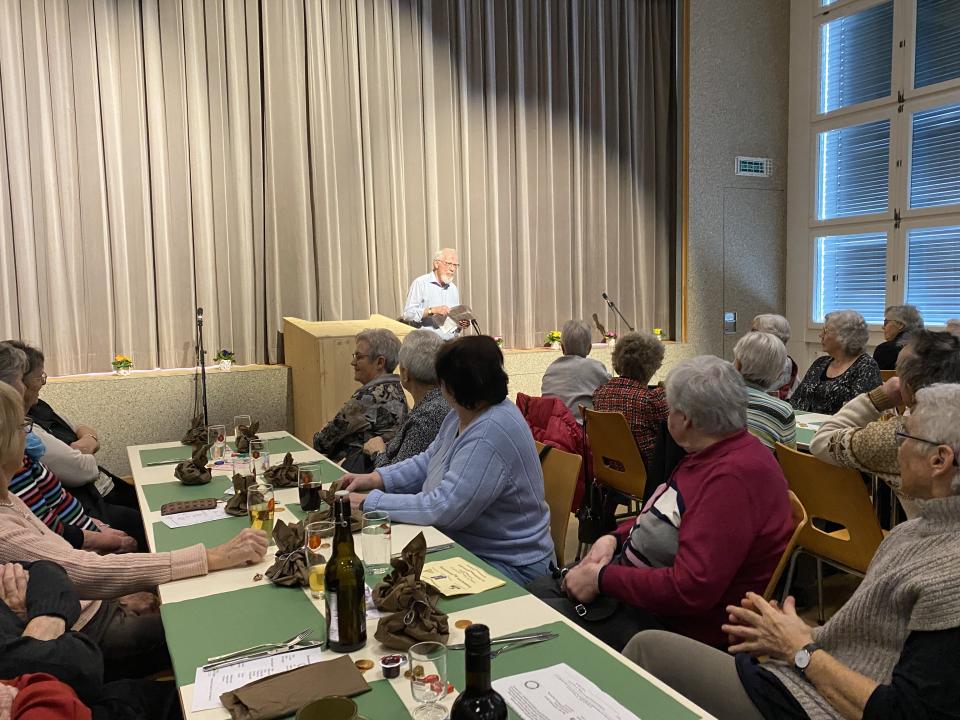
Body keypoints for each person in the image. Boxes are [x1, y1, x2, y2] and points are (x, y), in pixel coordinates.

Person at [623, 383, 960, 720]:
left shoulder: (949, 576)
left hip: (811, 701)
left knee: (646, 650)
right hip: (803, 678)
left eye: (905, 437)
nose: (896, 446)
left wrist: (799, 648)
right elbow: (868, 644)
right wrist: (798, 635)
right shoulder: (913, 533)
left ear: (939, 460)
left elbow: (906, 711)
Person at [0, 382, 269, 679]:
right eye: (21, 428)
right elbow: (82, 571)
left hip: (93, 608)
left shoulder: (9, 498)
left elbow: (70, 568)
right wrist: (214, 556)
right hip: (89, 635)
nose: (29, 439)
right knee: (223, 624)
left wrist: (114, 595)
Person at [527, 356, 793, 651]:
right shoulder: (710, 453)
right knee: (531, 595)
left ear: (686, 420)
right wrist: (613, 539)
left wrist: (602, 579)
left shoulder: (732, 479)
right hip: (637, 591)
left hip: (671, 629)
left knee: (533, 619)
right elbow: (664, 512)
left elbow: (691, 589)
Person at [341, 336, 554, 585]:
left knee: (392, 582)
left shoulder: (490, 430)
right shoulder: (462, 414)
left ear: (450, 387)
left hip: (511, 565)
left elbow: (443, 507)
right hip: (472, 549)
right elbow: (429, 460)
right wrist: (377, 479)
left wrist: (371, 502)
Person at [6, 341, 146, 551]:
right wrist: (103, 537)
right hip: (87, 519)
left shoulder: (34, 414)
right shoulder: (19, 440)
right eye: (34, 378)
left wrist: (86, 441)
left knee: (146, 505)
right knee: (142, 523)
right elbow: (45, 523)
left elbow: (81, 427)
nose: (41, 384)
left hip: (87, 517)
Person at [0, 561, 180, 719]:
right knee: (179, 627)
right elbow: (83, 666)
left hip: (72, 642)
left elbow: (45, 569)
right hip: (75, 685)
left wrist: (45, 619)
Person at [810, 330, 960, 520]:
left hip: (927, 542)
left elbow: (822, 441)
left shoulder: (900, 437)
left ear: (906, 385)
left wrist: (876, 399)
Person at [313, 329, 408, 473]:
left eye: (359, 356)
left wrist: (321, 432)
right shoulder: (397, 390)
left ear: (380, 362)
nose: (353, 362)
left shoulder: (368, 398)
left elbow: (321, 443)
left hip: (355, 477)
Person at [361, 329, 450, 469]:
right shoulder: (443, 401)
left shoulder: (427, 417)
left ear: (405, 374)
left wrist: (377, 452)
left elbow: (396, 478)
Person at [592, 331, 667, 464]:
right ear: (652, 366)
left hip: (610, 473)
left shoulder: (600, 393)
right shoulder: (651, 400)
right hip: (648, 476)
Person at [790, 310, 882, 415]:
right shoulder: (820, 363)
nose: (820, 335)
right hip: (804, 425)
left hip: (840, 429)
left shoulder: (866, 366)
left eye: (825, 331)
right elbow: (796, 400)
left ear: (845, 336)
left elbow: (860, 412)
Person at [733, 332, 796, 451]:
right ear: (779, 374)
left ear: (738, 365)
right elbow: (790, 460)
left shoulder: (717, 397)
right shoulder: (782, 411)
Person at [540, 320, 611, 424]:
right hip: (579, 433)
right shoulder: (595, 367)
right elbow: (614, 390)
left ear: (563, 348)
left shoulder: (551, 368)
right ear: (589, 349)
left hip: (550, 430)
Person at [401, 248, 470, 341]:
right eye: (449, 263)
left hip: (450, 343)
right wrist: (432, 310)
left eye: (455, 265)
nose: (452, 269)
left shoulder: (453, 288)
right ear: (436, 264)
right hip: (426, 343)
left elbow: (453, 319)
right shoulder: (420, 283)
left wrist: (461, 323)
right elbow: (408, 315)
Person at [751, 314, 798, 400]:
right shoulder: (749, 359)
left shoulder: (786, 366)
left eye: (754, 332)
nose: (749, 335)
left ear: (772, 337)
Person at [873, 305, 923, 370]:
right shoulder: (927, 347)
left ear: (900, 325)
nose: (883, 327)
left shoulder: (885, 349)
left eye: (886, 322)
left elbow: (875, 378)